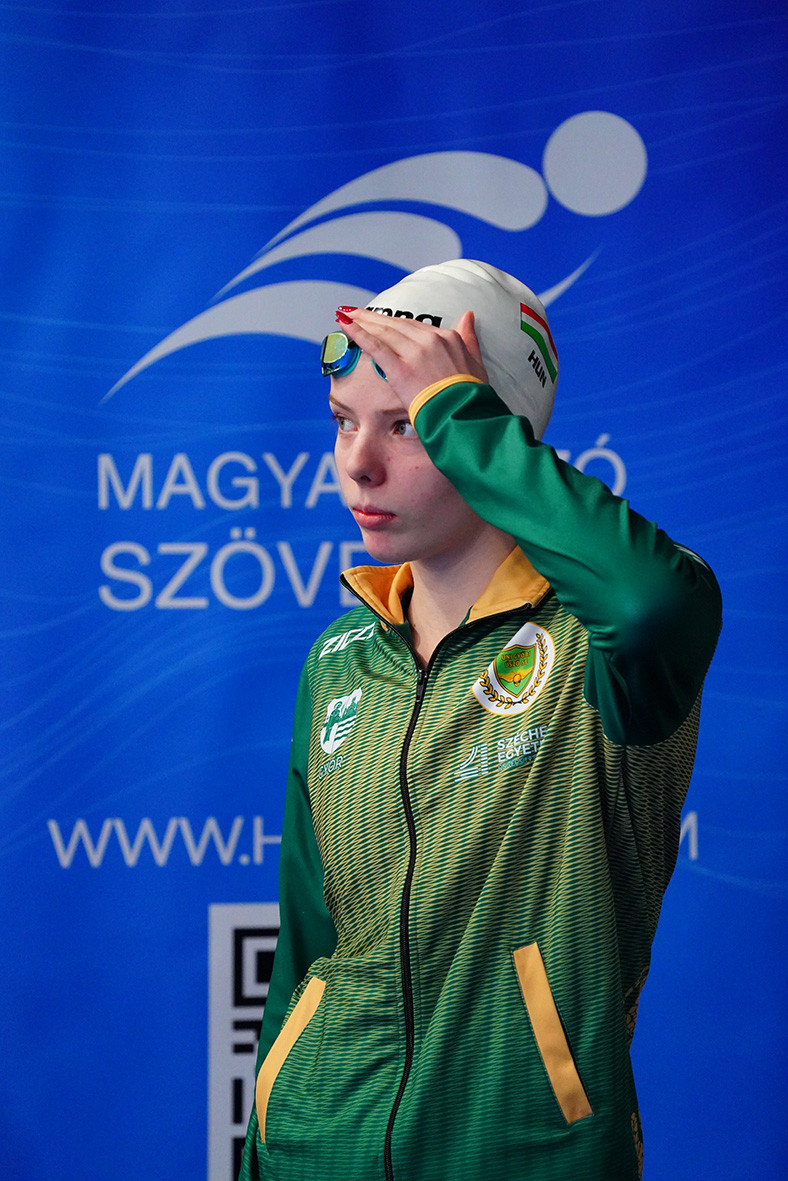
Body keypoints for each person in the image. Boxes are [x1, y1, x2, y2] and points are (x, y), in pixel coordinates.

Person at [239, 259, 721, 1181]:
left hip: (526, 1153)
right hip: (315, 1145)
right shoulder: (339, 659)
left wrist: (458, 417)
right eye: (343, 421)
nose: (357, 463)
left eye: (406, 425)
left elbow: (654, 603)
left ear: (492, 432)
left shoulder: (597, 645)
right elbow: (307, 948)